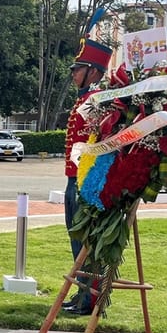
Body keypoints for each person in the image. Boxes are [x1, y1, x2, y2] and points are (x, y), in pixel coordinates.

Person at [62, 31, 113, 316]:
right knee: (77, 239)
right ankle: (83, 292)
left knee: (86, 242)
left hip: (87, 181)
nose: (73, 74)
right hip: (75, 177)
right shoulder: (87, 98)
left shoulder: (97, 101)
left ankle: (90, 298)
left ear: (92, 72)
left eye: (78, 69)